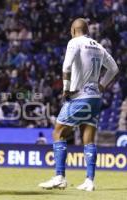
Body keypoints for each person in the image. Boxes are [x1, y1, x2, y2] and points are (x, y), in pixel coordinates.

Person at [38, 18, 119, 191]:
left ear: (74, 30)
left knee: (58, 132)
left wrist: (66, 89)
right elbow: (114, 68)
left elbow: (66, 66)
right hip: (95, 98)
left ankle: (59, 177)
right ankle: (89, 181)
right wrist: (102, 84)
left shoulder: (74, 42)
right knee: (88, 138)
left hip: (79, 96)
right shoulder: (98, 46)